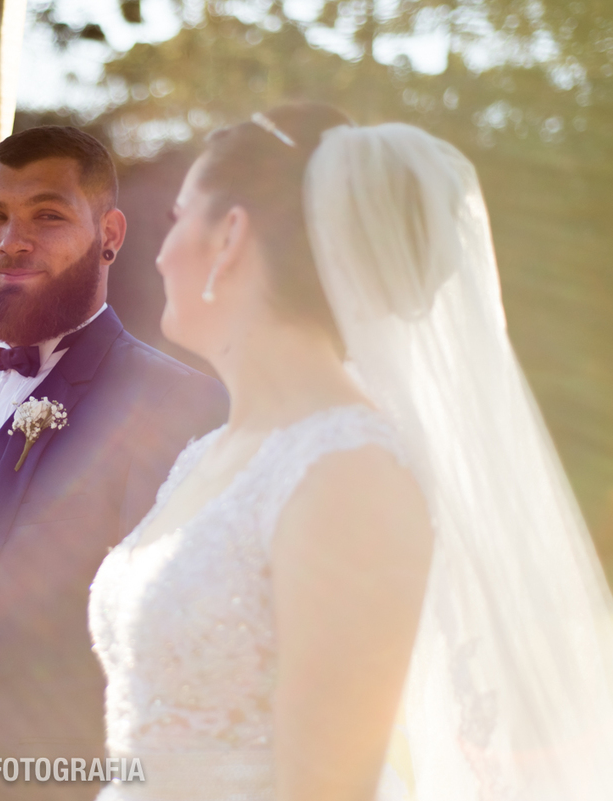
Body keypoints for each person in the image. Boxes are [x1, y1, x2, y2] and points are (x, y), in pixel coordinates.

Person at [88, 103, 613, 800]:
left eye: (178, 217)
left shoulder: (350, 471)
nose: (158, 252)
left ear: (230, 237)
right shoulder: (209, 453)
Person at [0, 126, 228, 801]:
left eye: (48, 215)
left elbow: (175, 652)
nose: (13, 239)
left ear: (111, 233)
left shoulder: (176, 403)